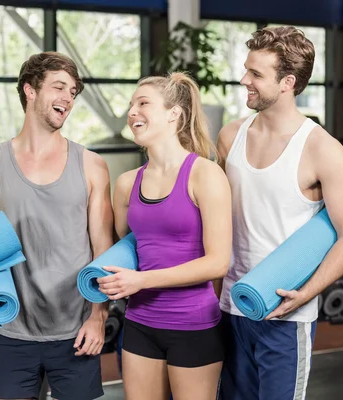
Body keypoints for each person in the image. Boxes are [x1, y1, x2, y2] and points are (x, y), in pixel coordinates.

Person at [0, 51, 113, 400]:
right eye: (59, 87)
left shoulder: (92, 166)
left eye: (73, 91)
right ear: (30, 90)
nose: (68, 98)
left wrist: (98, 317)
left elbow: (104, 250)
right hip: (12, 332)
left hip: (77, 329)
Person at [217, 26, 343, 400]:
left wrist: (306, 292)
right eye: (246, 70)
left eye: (256, 74)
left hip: (285, 316)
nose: (244, 80)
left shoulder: (323, 150)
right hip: (231, 306)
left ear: (288, 82)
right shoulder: (230, 135)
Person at [97, 72, 231, 400]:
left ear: (174, 113)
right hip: (140, 323)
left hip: (194, 323)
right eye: (131, 105)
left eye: (143, 103)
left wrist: (142, 281)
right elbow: (129, 248)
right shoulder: (128, 183)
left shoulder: (205, 175)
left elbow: (217, 263)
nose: (132, 112)